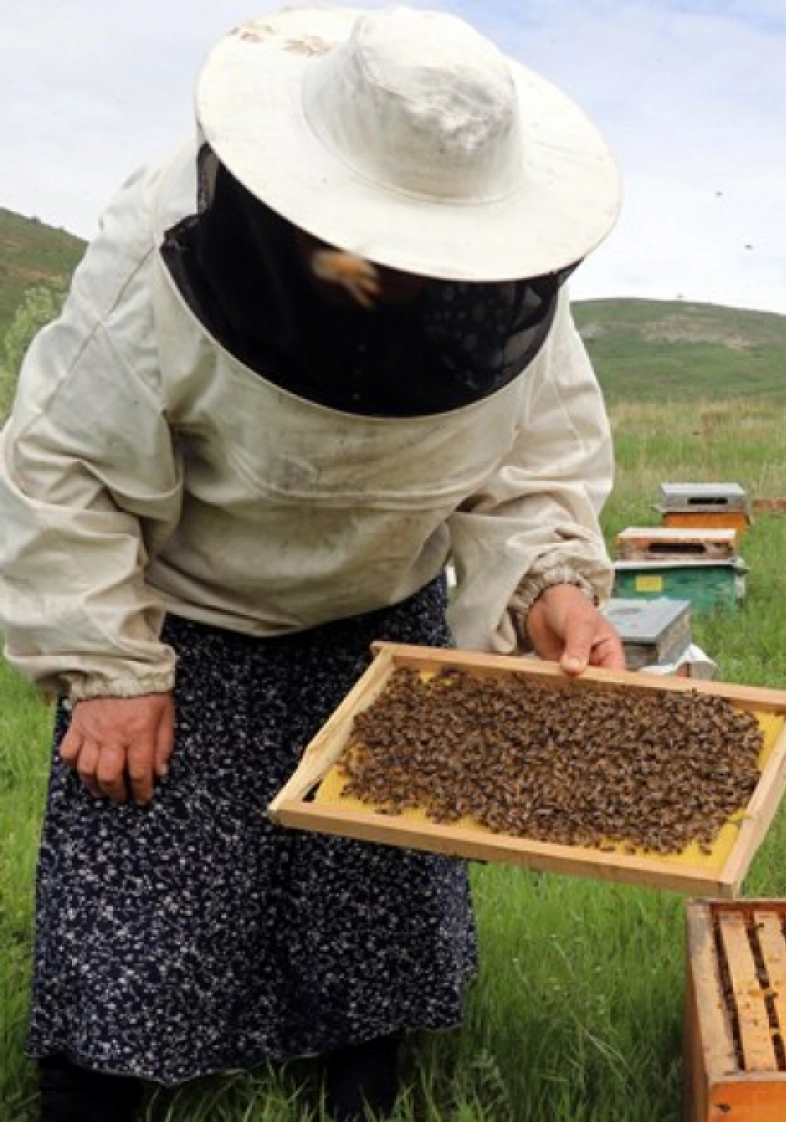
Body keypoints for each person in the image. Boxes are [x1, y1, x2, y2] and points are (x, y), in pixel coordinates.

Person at [0, 7, 628, 1119]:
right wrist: (109, 671)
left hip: (382, 609)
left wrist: (554, 590)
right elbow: (64, 464)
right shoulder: (166, 237)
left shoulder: (512, 283)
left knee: (373, 893)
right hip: (189, 612)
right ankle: (98, 1083)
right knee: (146, 900)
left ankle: (359, 1068)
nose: (394, 275)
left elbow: (534, 462)